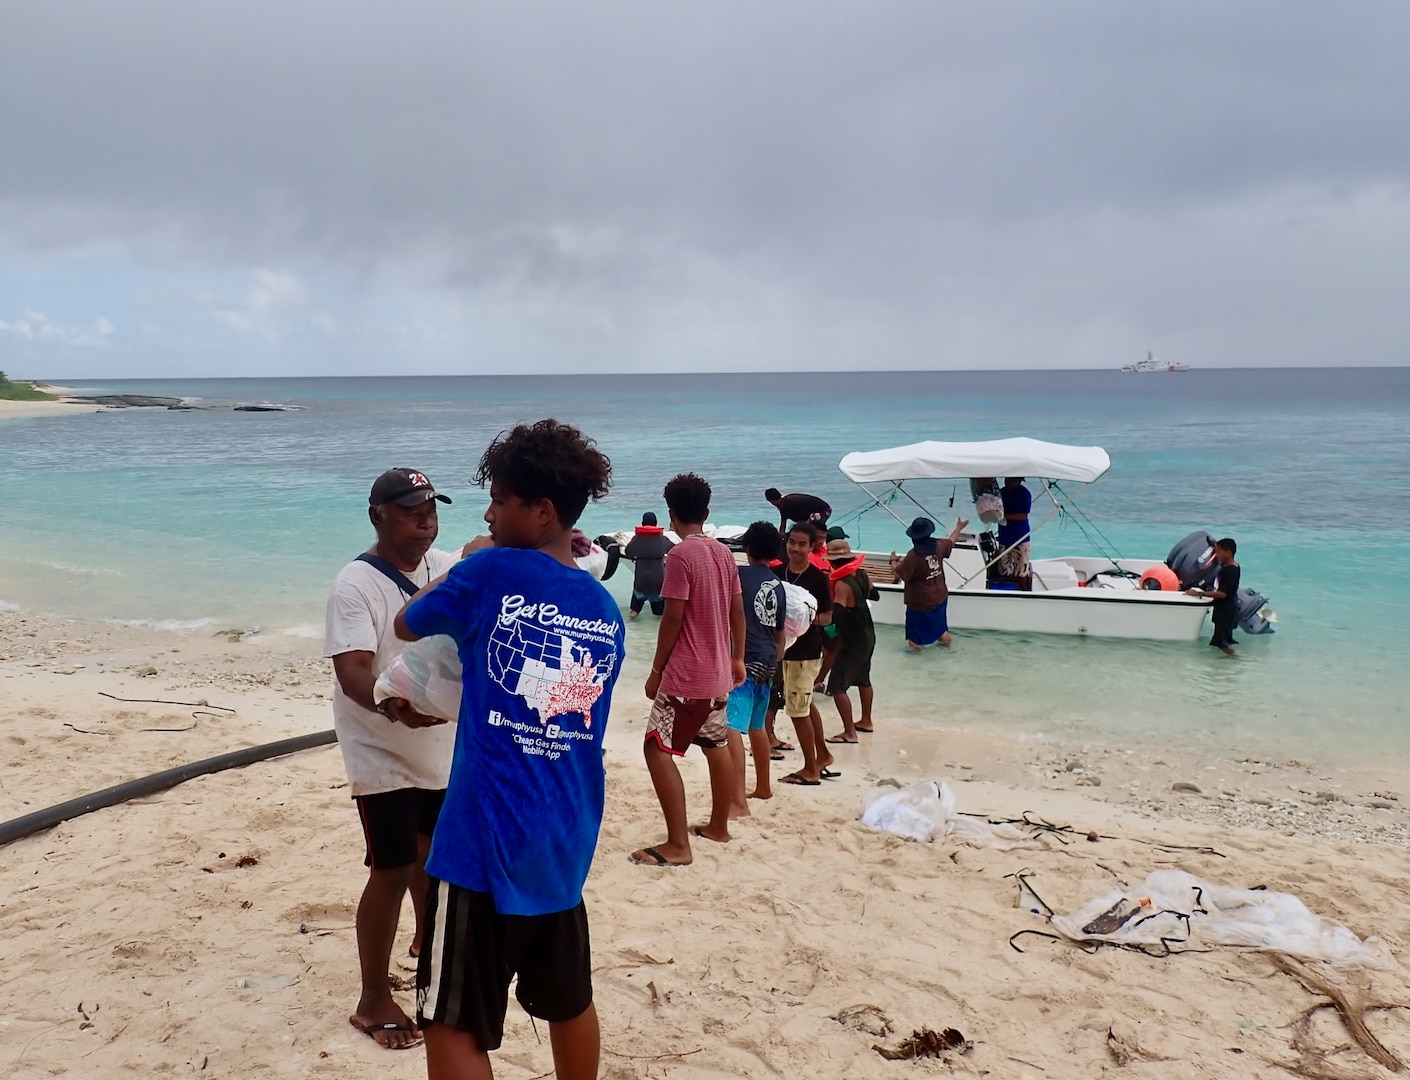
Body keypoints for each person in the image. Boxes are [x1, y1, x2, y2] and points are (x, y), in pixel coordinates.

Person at [391, 420, 623, 1080]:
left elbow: (408, 622)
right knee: (567, 1000)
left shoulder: (488, 571)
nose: (489, 513)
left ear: (541, 510)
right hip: (565, 838)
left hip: (480, 845)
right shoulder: (602, 608)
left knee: (452, 1020)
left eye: (500, 500)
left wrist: (469, 560)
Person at [324, 467, 460, 1050]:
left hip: (436, 740)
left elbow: (490, 555)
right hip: (379, 742)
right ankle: (372, 997)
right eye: (411, 512)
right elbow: (353, 671)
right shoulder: (355, 585)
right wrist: (392, 709)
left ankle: (431, 967)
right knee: (392, 868)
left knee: (435, 860)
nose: (425, 522)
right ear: (378, 515)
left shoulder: (442, 567)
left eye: (431, 510)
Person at [632, 473, 745, 867]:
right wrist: (737, 658)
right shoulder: (723, 553)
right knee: (715, 745)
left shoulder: (679, 556)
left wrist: (656, 669)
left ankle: (678, 845)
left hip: (686, 675)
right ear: (707, 512)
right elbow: (736, 610)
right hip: (717, 674)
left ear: (671, 514)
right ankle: (718, 826)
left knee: (656, 749)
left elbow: (673, 618)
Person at [725, 522, 787, 812]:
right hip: (768, 658)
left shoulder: (737, 576)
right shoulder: (777, 584)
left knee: (731, 728)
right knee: (757, 726)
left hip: (744, 658)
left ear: (746, 548)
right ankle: (763, 787)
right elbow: (779, 631)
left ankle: (737, 799)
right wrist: (777, 660)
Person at [774, 522, 835, 786]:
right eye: (792, 542)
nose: (795, 548)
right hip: (782, 650)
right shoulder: (777, 572)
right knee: (805, 704)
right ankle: (822, 755)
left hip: (806, 652)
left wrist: (803, 619)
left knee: (797, 712)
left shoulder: (818, 578)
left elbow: (828, 617)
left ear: (812, 548)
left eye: (802, 544)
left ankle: (811, 769)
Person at [823, 538, 877, 742]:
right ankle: (866, 720)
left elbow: (835, 618)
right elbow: (876, 595)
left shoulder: (842, 585)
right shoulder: (862, 574)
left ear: (833, 562)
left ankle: (849, 733)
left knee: (836, 687)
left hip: (852, 640)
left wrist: (825, 633)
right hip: (868, 634)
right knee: (864, 679)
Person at [889, 516, 969, 649]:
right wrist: (959, 527)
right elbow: (952, 541)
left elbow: (898, 573)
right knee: (941, 631)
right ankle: (947, 653)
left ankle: (919, 665)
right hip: (940, 597)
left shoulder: (913, 557)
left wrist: (893, 561)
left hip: (920, 603)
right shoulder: (939, 546)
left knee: (914, 641)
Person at [1188, 537, 1241, 656]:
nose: (1216, 555)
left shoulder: (1230, 571)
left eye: (1218, 552)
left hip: (1225, 611)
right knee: (1220, 641)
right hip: (1228, 608)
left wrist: (1200, 594)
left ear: (1228, 552)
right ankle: (1225, 666)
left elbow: (1223, 594)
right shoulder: (1231, 565)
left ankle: (1234, 660)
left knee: (1223, 644)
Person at [622, 511, 674, 618]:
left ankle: (630, 629)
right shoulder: (662, 539)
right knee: (660, 615)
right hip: (658, 582)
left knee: (634, 612)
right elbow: (675, 550)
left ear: (642, 523)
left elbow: (628, 552)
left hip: (641, 581)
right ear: (656, 524)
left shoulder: (637, 539)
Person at [998, 476, 1033, 591]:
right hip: (1005, 536)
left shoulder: (1024, 494)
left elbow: (1022, 516)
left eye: (1014, 481)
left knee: (1022, 571)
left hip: (1020, 538)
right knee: (1004, 570)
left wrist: (1003, 517)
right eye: (1008, 480)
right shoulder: (1001, 493)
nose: (1010, 483)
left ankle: (1025, 594)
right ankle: (1006, 592)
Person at [765, 487, 831, 531]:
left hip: (823, 511)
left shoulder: (784, 505)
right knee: (803, 529)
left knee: (810, 531)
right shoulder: (786, 501)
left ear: (772, 501)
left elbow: (783, 526)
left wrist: (780, 539)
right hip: (820, 511)